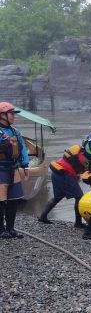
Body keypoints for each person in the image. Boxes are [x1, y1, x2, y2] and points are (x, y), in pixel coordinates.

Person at [38, 144, 87, 228]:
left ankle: (43, 216)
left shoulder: (77, 152)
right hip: (65, 174)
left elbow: (76, 168)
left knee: (57, 197)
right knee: (79, 197)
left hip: (56, 172)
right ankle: (78, 223)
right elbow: (84, 169)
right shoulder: (84, 157)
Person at [0, 101, 29, 239]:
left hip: (14, 168)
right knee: (1, 201)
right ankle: (1, 230)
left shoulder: (16, 132)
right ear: (2, 115)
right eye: (11, 114)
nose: (13, 116)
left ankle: (10, 228)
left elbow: (22, 149)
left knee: (13, 200)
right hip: (0, 169)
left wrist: (25, 165)